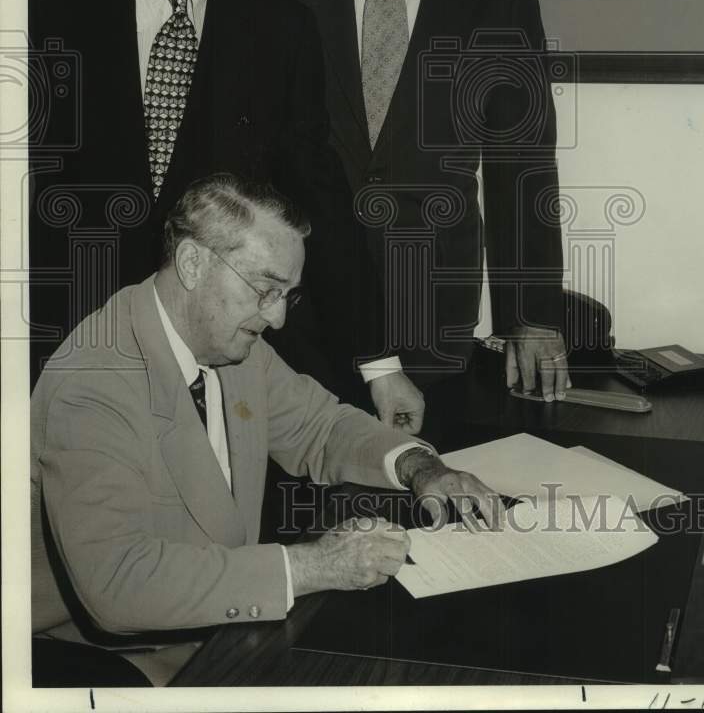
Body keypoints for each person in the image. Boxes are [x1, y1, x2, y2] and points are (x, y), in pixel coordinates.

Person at [31, 173, 504, 687]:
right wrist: (310, 567)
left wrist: (421, 469)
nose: (276, 317)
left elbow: (322, 427)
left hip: (212, 626)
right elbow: (118, 585)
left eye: (287, 295)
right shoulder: (94, 381)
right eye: (265, 289)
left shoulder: (231, 345)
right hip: (99, 656)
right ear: (193, 263)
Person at [230, 0, 569, 434]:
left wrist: (530, 316)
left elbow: (520, 157)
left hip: (427, 310)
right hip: (287, 302)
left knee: (424, 497)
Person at [27, 0, 346, 385]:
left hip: (210, 359)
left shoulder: (284, 27)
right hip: (52, 342)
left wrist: (376, 362)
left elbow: (316, 199)